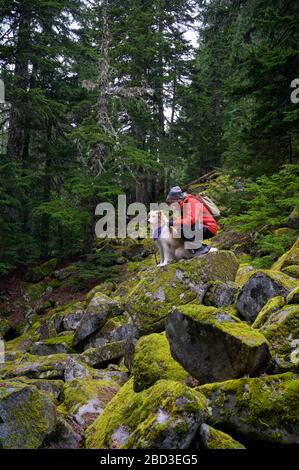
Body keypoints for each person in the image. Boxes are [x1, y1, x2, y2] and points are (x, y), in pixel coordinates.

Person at [166, 186, 218, 256]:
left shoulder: (191, 201)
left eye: (172, 200)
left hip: (208, 227)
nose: (171, 203)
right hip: (201, 226)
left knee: (182, 230)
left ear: (176, 198)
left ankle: (201, 249)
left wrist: (172, 223)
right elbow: (182, 220)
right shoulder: (183, 204)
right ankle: (204, 247)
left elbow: (191, 220)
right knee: (179, 231)